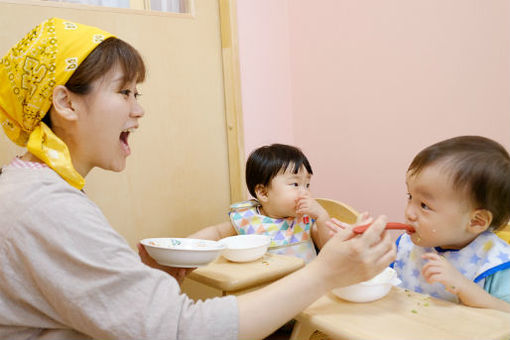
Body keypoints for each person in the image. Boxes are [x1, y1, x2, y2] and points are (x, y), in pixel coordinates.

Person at [0, 18, 396, 339]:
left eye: (138, 93)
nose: (139, 111)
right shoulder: (45, 205)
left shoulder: (35, 189)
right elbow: (181, 330)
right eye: (124, 92)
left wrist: (144, 282)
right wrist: (326, 273)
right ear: (65, 102)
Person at [394, 136, 510, 313]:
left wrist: (464, 287)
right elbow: (386, 285)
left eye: (424, 205)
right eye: (410, 197)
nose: (408, 212)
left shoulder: (495, 263)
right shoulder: (407, 245)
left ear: (476, 221)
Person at [189, 143, 330, 263]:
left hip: (306, 287)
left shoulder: (305, 218)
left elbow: (329, 249)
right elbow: (217, 233)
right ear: (263, 193)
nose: (305, 192)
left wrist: (322, 217)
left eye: (307, 184)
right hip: (263, 289)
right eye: (295, 184)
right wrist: (187, 246)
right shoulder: (248, 218)